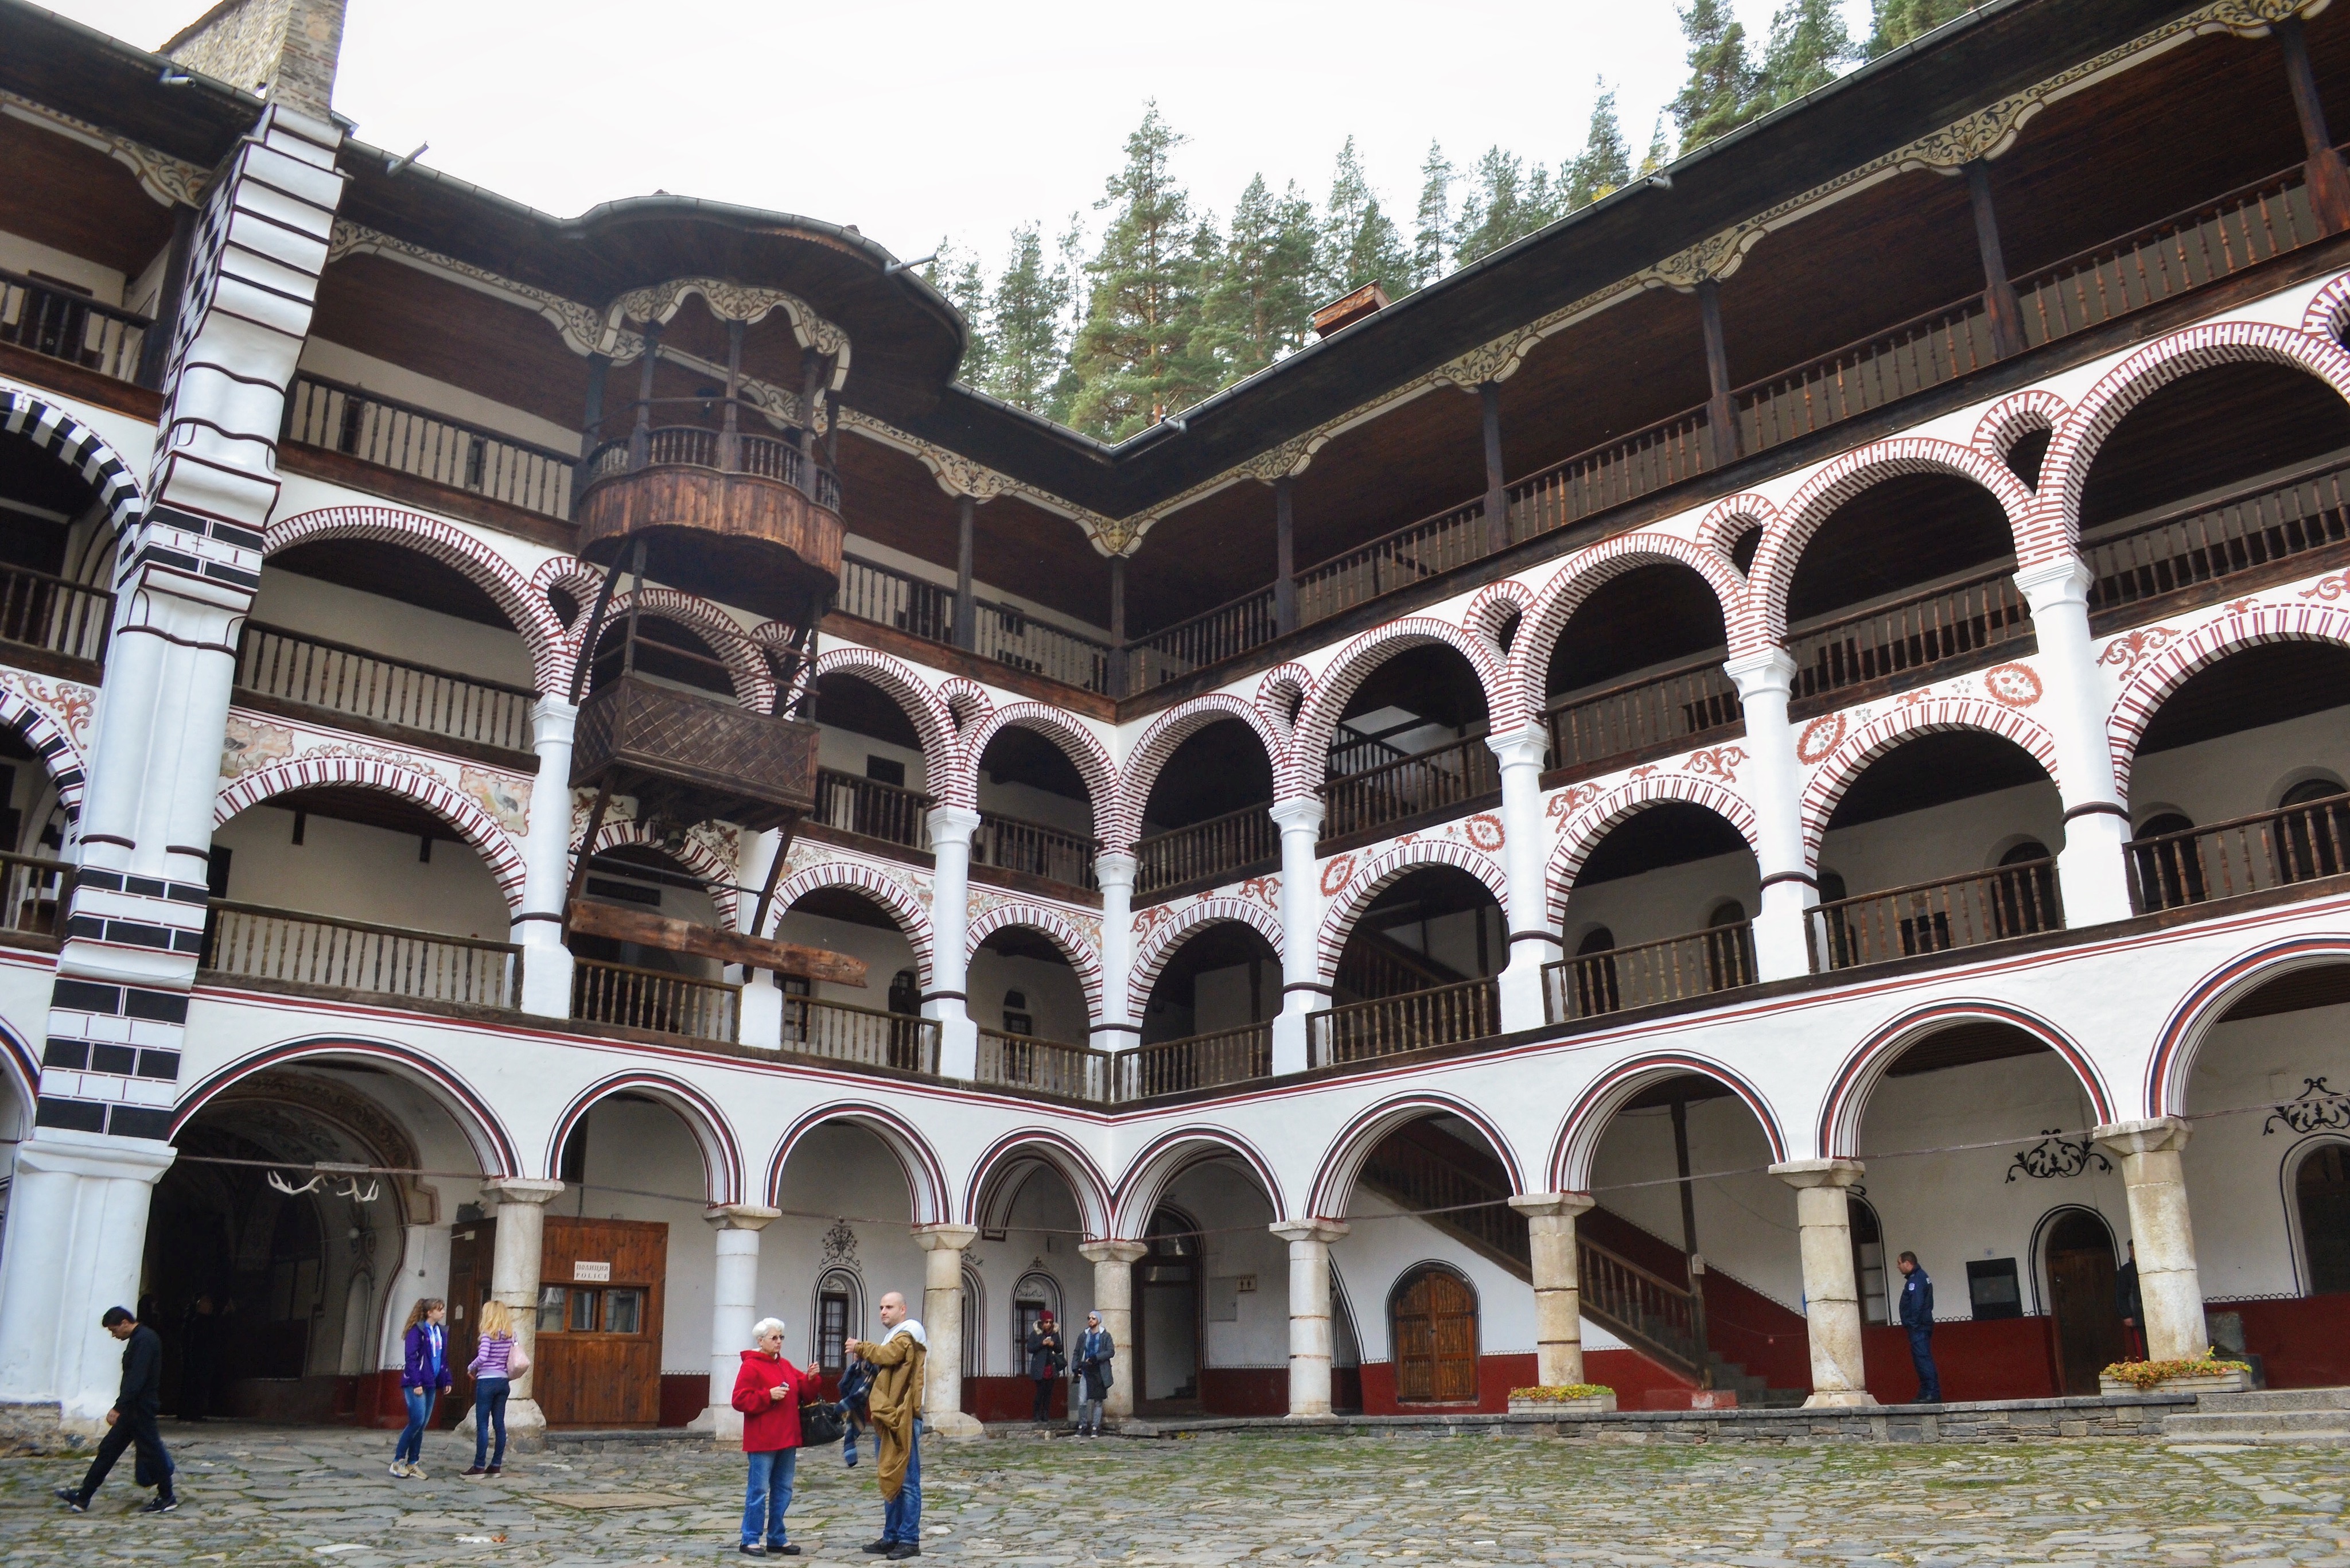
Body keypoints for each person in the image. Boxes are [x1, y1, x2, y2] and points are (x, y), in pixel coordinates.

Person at [54, 1305, 177, 1515]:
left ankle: (167, 1496)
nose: (113, 1335)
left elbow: (137, 1379)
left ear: (125, 1323)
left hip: (140, 1409)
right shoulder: (138, 1340)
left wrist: (119, 1407)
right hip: (133, 1410)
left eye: (114, 1330)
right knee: (109, 1450)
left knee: (152, 1452)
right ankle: (83, 1497)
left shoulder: (145, 1341)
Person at [845, 1290, 926, 1561]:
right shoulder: (893, 1336)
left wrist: (862, 1347)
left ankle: (909, 1539)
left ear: (903, 1310)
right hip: (886, 1416)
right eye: (881, 1307)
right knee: (889, 1475)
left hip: (904, 1416)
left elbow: (890, 1355)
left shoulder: (911, 1332)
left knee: (908, 1480)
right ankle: (892, 1536)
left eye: (889, 1307)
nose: (883, 1311)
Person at [730, 1317, 804, 1557]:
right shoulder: (751, 1366)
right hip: (763, 1440)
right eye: (774, 1338)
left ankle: (776, 1537)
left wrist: (812, 1379)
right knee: (759, 1490)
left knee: (783, 1489)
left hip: (787, 1437)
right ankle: (750, 1538)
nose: (779, 1342)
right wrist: (767, 1395)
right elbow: (739, 1399)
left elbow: (803, 1388)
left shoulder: (785, 1365)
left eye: (781, 1337)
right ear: (761, 1341)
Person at [465, 1299, 527, 1477]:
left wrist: (471, 1367)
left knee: (483, 1425)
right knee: (499, 1424)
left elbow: (483, 1356)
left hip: (486, 1382)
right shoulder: (511, 1335)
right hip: (503, 1382)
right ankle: (496, 1465)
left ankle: (478, 1466)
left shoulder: (487, 1334)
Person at [392, 1298, 452, 1479]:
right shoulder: (417, 1331)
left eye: (442, 1309)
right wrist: (416, 1383)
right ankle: (398, 1461)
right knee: (417, 1421)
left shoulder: (440, 1332)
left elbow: (442, 1359)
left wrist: (447, 1379)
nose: (442, 1312)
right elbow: (411, 1359)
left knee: (423, 1424)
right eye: (439, 1309)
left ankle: (413, 1463)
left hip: (431, 1383)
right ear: (429, 1312)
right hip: (416, 1383)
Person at [1896, 1251, 1941, 1404]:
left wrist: (1913, 1324)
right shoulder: (1920, 1277)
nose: (1898, 1267)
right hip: (1921, 1325)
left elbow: (1917, 1304)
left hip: (1919, 1327)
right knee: (1920, 1359)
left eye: (1899, 1263)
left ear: (1908, 1263)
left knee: (1923, 1359)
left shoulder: (1916, 1280)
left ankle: (1932, 1393)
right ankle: (1925, 1392)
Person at [1071, 1310, 1114, 1437]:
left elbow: (1111, 1352)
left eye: (1093, 1318)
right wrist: (1076, 1367)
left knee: (1098, 1401)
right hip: (1086, 1371)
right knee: (1082, 1401)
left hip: (1099, 1371)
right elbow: (1077, 1352)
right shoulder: (1083, 1336)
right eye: (1089, 1318)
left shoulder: (1105, 1336)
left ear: (1098, 1321)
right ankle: (1082, 1425)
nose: (1090, 1320)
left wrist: (1097, 1357)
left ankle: (1095, 1427)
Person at [176, 1294, 217, 1423]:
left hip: (201, 1360)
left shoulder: (203, 1322)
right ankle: (190, 1412)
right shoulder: (196, 1322)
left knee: (199, 1387)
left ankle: (195, 1411)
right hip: (196, 1360)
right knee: (193, 1386)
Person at [1024, 1310, 1063, 1423]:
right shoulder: (1036, 1334)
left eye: (1051, 1322)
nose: (1049, 1324)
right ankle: (1036, 1414)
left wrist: (1053, 1345)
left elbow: (1060, 1349)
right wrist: (1042, 1344)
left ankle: (1046, 1414)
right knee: (1040, 1392)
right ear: (1042, 1323)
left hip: (1051, 1367)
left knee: (1048, 1393)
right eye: (1047, 1322)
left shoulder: (1055, 1335)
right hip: (1039, 1368)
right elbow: (1030, 1348)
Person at [2116, 1240, 2146, 1361]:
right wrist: (2126, 1315)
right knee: (2143, 1348)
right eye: (2131, 1249)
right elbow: (2121, 1294)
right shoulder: (2126, 1271)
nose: (2133, 1252)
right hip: (2137, 1315)